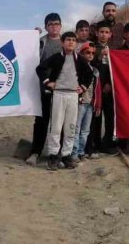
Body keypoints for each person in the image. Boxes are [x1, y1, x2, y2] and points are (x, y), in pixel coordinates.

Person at [36, 32, 94, 171]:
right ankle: (53, 155)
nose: (71, 42)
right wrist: (47, 82)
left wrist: (84, 87)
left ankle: (67, 155)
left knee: (71, 127)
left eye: (73, 40)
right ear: (62, 42)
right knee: (56, 126)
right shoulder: (56, 58)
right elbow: (40, 68)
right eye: (68, 40)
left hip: (73, 96)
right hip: (58, 94)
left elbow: (89, 74)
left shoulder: (80, 60)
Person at [26, 13, 63, 166]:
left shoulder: (66, 42)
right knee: (41, 121)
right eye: (50, 24)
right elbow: (27, 54)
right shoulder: (40, 42)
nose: (54, 26)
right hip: (43, 88)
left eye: (56, 24)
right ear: (46, 26)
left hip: (62, 90)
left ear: (61, 25)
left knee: (59, 123)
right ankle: (35, 152)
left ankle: (55, 154)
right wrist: (32, 37)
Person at [89, 22, 118, 156]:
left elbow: (118, 70)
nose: (104, 35)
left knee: (110, 116)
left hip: (109, 88)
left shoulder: (115, 50)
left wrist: (110, 84)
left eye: (107, 32)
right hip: (96, 88)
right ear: (97, 33)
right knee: (96, 117)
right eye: (101, 32)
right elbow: (90, 66)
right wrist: (99, 58)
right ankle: (96, 143)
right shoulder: (92, 48)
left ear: (110, 34)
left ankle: (107, 142)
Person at [72, 42, 99, 163]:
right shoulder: (76, 68)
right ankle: (74, 153)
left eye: (93, 53)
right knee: (76, 129)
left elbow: (97, 89)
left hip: (90, 103)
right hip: (80, 102)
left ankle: (81, 152)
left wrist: (97, 103)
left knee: (85, 130)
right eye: (88, 52)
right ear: (82, 53)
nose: (90, 55)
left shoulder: (95, 70)